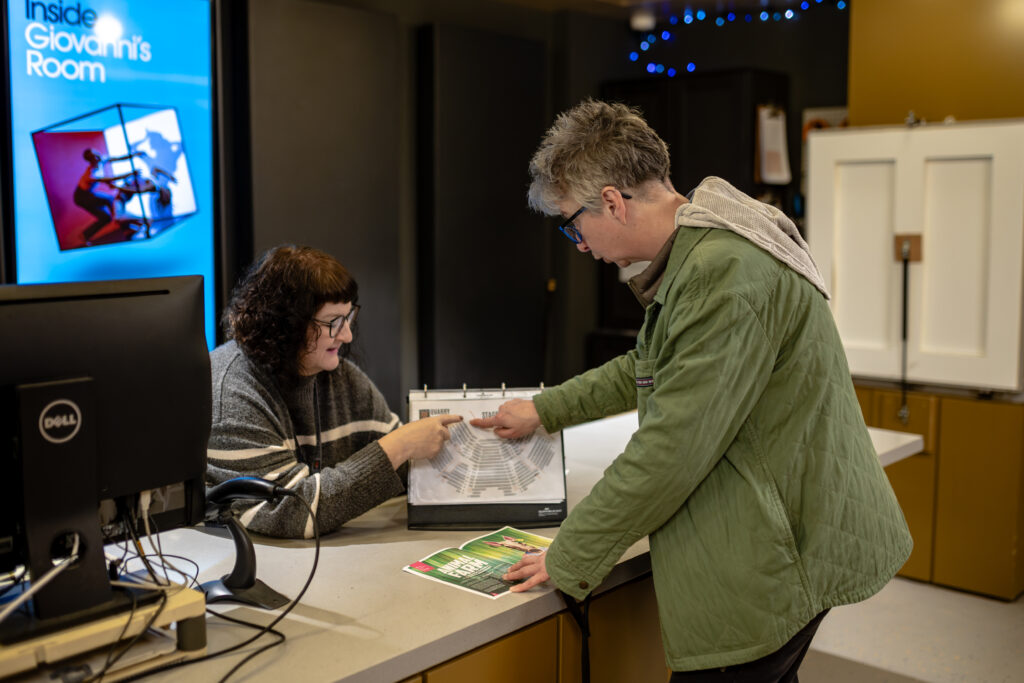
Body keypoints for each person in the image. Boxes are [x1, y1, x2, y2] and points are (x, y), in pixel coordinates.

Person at [471, 100, 912, 681]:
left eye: (572, 224)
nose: (578, 244)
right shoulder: (707, 248)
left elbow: (671, 446)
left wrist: (570, 553)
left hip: (780, 548)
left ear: (610, 202)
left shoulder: (721, 272)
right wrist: (546, 409)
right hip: (789, 527)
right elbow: (650, 365)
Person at [208, 245, 461, 538]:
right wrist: (399, 445)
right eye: (333, 323)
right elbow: (292, 512)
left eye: (348, 317)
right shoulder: (232, 392)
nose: (347, 335)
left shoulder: (342, 378)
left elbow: (407, 473)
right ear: (287, 324)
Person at [74, 148, 146, 244]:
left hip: (88, 195)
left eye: (96, 153)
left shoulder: (102, 160)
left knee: (105, 218)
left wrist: (134, 155)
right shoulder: (91, 174)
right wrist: (129, 174)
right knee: (110, 200)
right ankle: (123, 224)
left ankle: (85, 236)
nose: (97, 157)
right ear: (90, 161)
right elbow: (109, 178)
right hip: (81, 197)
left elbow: (119, 158)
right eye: (93, 157)